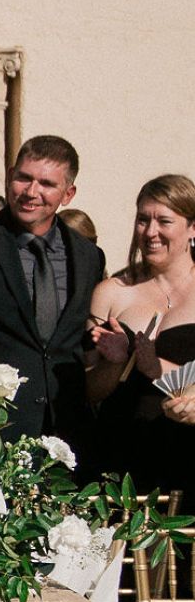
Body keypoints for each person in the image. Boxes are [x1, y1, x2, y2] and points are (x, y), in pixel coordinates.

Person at [0, 135, 104, 460]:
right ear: (10, 175)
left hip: (64, 435)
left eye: (47, 184)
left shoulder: (88, 256)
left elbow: (74, 343)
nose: (31, 191)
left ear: (68, 194)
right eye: (24, 178)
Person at [87, 174, 195, 494]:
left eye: (164, 221)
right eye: (143, 220)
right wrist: (114, 362)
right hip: (122, 455)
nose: (150, 232)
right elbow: (90, 392)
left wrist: (158, 369)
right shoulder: (112, 291)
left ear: (192, 228)